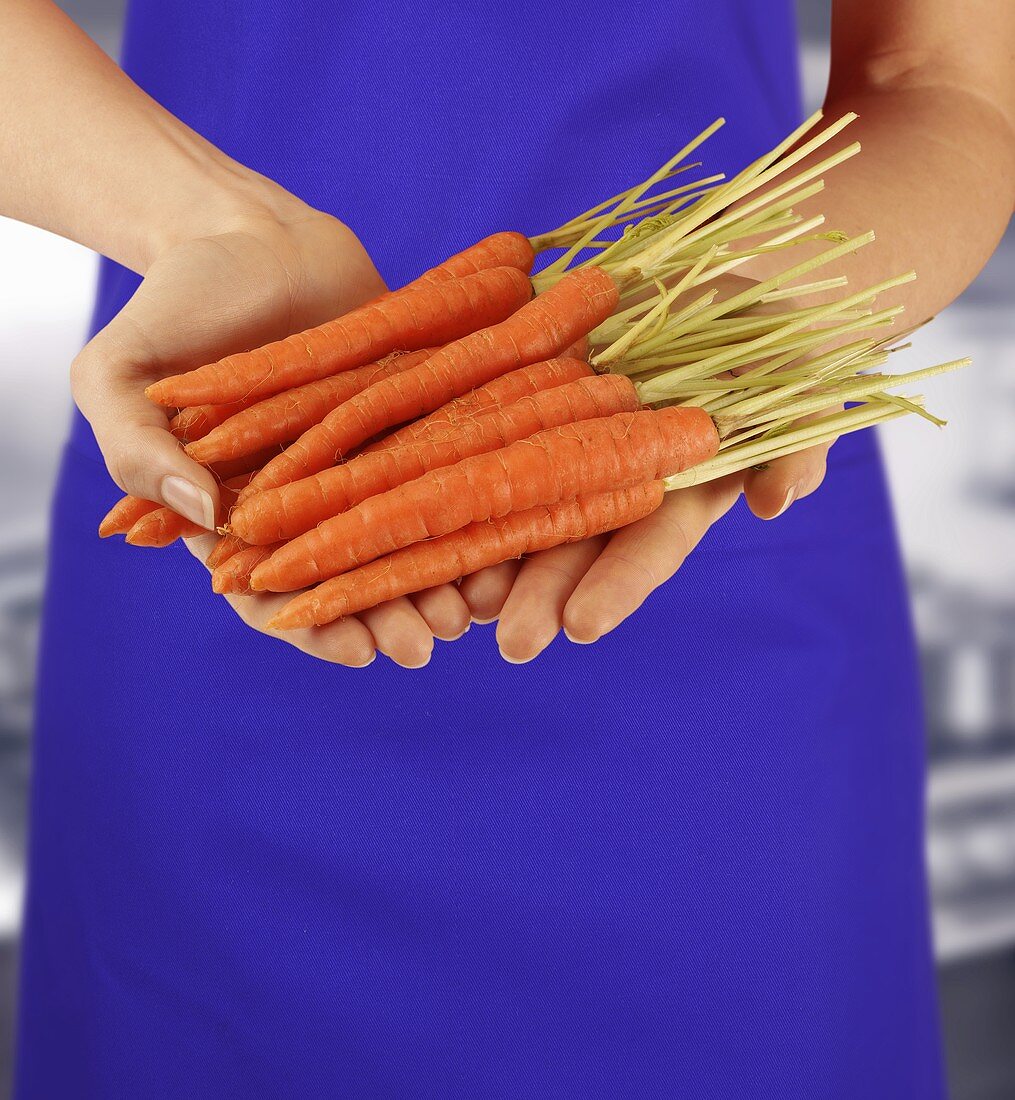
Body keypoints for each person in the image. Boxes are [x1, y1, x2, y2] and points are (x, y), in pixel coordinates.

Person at [4, 0, 1013, 1095]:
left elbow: (940, 81)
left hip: (700, 521)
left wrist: (765, 324)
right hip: (240, 491)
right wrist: (200, 220)